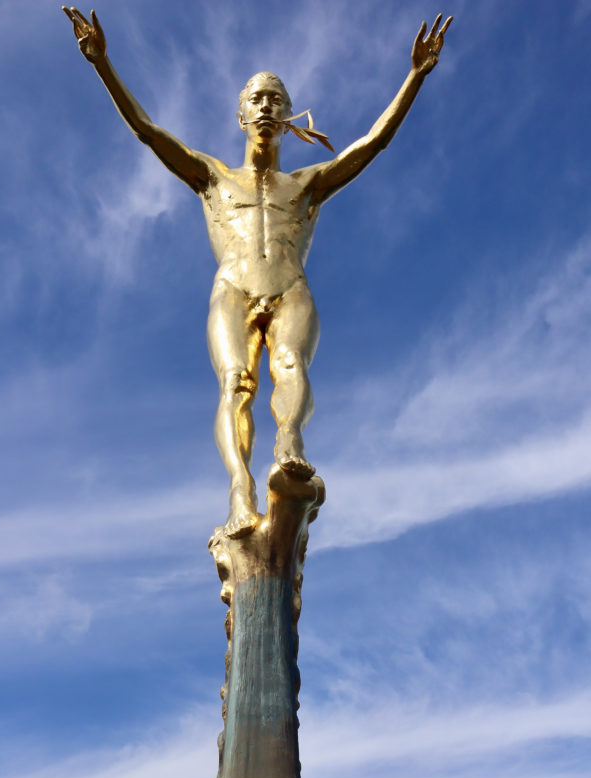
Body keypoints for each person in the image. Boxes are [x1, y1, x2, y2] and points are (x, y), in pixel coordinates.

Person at [62, 7, 452, 538]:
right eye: (256, 99)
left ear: (290, 115)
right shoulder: (212, 177)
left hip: (290, 285)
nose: (266, 106)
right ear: (241, 115)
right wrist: (102, 64)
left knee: (290, 363)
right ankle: (240, 491)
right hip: (234, 287)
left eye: (276, 99)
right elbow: (149, 133)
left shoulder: (307, 184)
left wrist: (415, 77)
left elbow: (372, 145)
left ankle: (289, 445)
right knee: (235, 383)